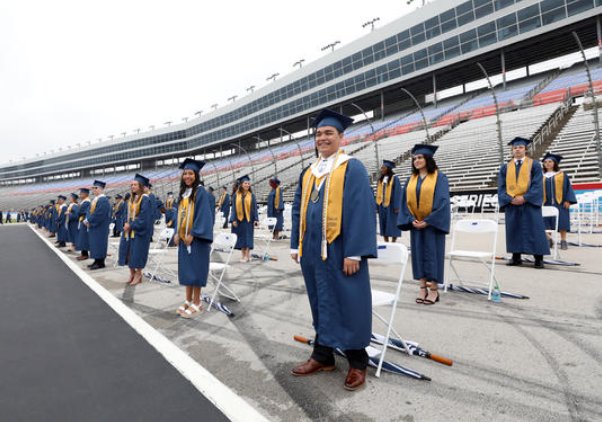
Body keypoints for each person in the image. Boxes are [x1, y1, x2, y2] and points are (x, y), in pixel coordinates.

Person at [290, 109, 377, 392]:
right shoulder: (309, 172)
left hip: (342, 250)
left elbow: (362, 210)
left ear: (341, 137)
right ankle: (323, 355)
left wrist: (356, 252)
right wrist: (296, 243)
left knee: (349, 302)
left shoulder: (352, 167)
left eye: (329, 133)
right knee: (320, 301)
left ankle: (357, 361)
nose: (323, 138)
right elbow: (297, 210)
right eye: (318, 134)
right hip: (313, 251)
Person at [397, 144, 450, 305]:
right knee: (418, 256)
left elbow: (442, 202)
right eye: (414, 158)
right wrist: (410, 220)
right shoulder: (410, 180)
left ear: (428, 159)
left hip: (432, 226)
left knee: (434, 256)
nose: (416, 161)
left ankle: (434, 290)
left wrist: (428, 221)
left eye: (420, 158)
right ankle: (422, 288)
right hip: (416, 225)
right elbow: (404, 202)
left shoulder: (439, 178)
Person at [497, 137, 550, 269]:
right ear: (512, 150)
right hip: (512, 203)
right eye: (515, 148)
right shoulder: (505, 167)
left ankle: (539, 258)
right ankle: (516, 257)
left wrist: (525, 197)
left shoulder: (535, 165)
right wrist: (509, 199)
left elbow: (537, 185)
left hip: (529, 203)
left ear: (525, 149)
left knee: (535, 229)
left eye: (520, 147)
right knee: (514, 230)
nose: (517, 150)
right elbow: (501, 187)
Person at [173, 159, 213, 319]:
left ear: (196, 175)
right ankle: (188, 300)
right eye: (185, 174)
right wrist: (177, 232)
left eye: (190, 173)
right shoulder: (184, 193)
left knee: (196, 271)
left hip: (197, 239)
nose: (187, 176)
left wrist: (193, 233)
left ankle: (197, 302)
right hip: (184, 239)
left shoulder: (201, 192)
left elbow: (204, 215)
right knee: (187, 271)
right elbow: (179, 215)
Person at [118, 174, 154, 286]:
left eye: (135, 184)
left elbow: (144, 218)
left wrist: (131, 225)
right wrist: (125, 223)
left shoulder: (145, 199)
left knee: (137, 254)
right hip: (129, 231)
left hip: (139, 232)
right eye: (132, 184)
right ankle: (132, 273)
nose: (133, 186)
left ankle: (138, 274)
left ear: (141, 186)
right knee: (128, 253)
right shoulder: (131, 200)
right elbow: (125, 214)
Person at [542, 153, 577, 250]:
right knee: (545, 222)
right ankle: (548, 240)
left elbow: (568, 188)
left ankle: (563, 240)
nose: (547, 164)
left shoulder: (562, 174)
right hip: (545, 202)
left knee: (562, 222)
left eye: (550, 161)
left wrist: (568, 200)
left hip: (560, 202)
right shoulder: (541, 175)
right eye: (545, 162)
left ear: (555, 163)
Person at [230, 175, 259, 262]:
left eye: (248, 183)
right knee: (241, 237)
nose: (247, 185)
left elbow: (254, 208)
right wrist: (233, 219)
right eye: (245, 183)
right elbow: (234, 208)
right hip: (239, 220)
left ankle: (247, 255)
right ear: (241, 185)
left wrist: (256, 219)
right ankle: (243, 255)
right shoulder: (236, 195)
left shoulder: (252, 195)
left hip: (248, 220)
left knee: (248, 237)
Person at [84, 180, 111, 270]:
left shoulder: (103, 200)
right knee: (94, 244)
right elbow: (89, 211)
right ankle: (96, 260)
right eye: (93, 188)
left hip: (100, 226)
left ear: (101, 189)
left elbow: (99, 214)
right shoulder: (95, 200)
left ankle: (100, 262)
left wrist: (89, 221)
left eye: (95, 188)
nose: (93, 190)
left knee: (99, 243)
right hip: (94, 225)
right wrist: (87, 220)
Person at [376, 160, 402, 243]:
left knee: (393, 224)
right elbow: (378, 193)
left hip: (391, 206)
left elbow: (398, 192)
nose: (381, 169)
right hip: (382, 205)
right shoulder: (380, 179)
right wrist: (377, 205)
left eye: (383, 167)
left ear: (388, 168)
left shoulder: (395, 179)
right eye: (381, 168)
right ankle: (386, 241)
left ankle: (393, 241)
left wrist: (397, 206)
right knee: (383, 223)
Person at [76, 188, 91, 261]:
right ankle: (83, 253)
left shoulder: (86, 202)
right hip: (82, 220)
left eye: (81, 193)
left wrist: (79, 208)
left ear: (86, 194)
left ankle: (85, 254)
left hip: (84, 221)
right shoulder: (84, 202)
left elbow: (80, 212)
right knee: (82, 238)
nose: (80, 195)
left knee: (84, 238)